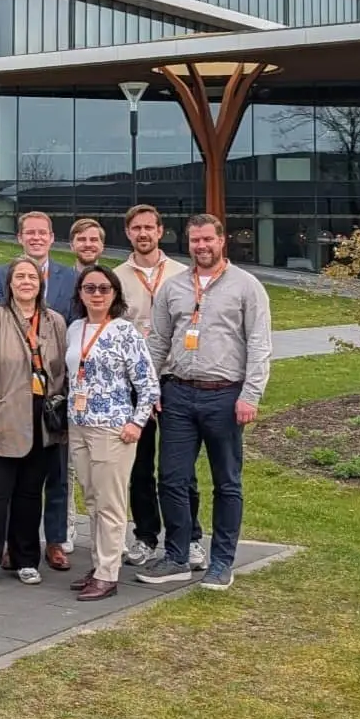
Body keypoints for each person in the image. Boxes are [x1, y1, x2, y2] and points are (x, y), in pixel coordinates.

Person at [137, 213, 272, 592]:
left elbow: (260, 344)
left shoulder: (247, 287)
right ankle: (178, 555)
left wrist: (251, 394)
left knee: (226, 482)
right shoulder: (174, 287)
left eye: (208, 239)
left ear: (222, 240)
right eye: (195, 240)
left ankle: (222, 562)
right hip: (178, 393)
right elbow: (158, 342)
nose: (201, 246)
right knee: (172, 479)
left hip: (225, 396)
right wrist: (150, 391)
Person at [0, 255, 68, 590]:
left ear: (41, 285)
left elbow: (61, 374)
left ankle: (26, 558)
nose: (26, 282)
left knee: (29, 495)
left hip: (42, 423)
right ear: (9, 284)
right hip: (1, 418)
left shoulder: (54, 322)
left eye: (32, 277)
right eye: (19, 276)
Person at [0, 212, 77, 571]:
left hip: (53, 386)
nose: (36, 238)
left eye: (43, 232)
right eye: (30, 233)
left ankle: (55, 541)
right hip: (12, 387)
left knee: (55, 472)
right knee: (14, 474)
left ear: (51, 237)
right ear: (20, 238)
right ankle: (13, 542)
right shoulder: (2, 274)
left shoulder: (69, 277)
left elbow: (71, 325)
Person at [114, 204, 201, 568]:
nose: (143, 233)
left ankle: (190, 537)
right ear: (128, 233)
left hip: (176, 380)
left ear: (161, 231)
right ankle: (146, 536)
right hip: (134, 385)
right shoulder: (117, 277)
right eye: (136, 228)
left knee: (181, 468)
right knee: (139, 466)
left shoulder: (183, 275)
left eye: (149, 227)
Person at [65, 265, 160, 600]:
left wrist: (137, 422)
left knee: (111, 502)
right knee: (91, 500)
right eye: (89, 288)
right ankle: (99, 563)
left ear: (115, 294)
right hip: (78, 424)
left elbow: (148, 385)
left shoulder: (125, 332)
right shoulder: (74, 328)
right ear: (80, 293)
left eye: (104, 288)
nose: (97, 294)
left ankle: (108, 573)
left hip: (112, 428)